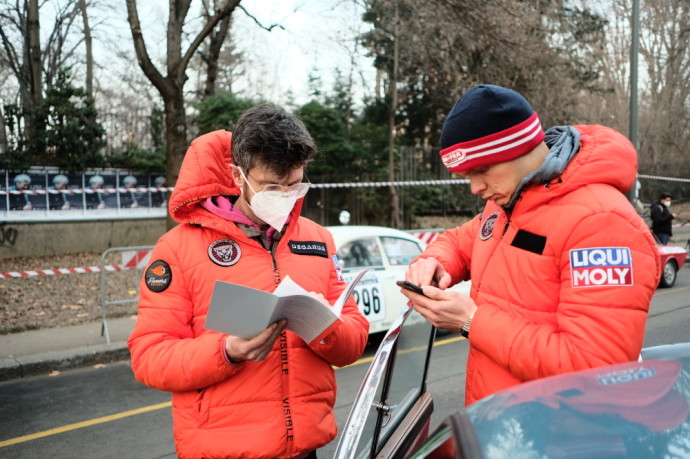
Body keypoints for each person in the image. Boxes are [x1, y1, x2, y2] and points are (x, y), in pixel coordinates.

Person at [127, 104, 370, 459]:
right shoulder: (178, 248)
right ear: (238, 177)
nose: (286, 197)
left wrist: (325, 327)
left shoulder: (318, 240)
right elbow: (149, 356)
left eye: (295, 185)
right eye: (272, 186)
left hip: (305, 448)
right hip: (221, 451)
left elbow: (354, 340)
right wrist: (227, 351)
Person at [401, 84, 660, 406]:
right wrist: (435, 261)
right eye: (465, 175)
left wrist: (471, 321)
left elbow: (598, 368)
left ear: (521, 149)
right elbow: (461, 239)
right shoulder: (508, 199)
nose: (474, 187)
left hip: (561, 437)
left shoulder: (602, 222)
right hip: (504, 420)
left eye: (481, 171)